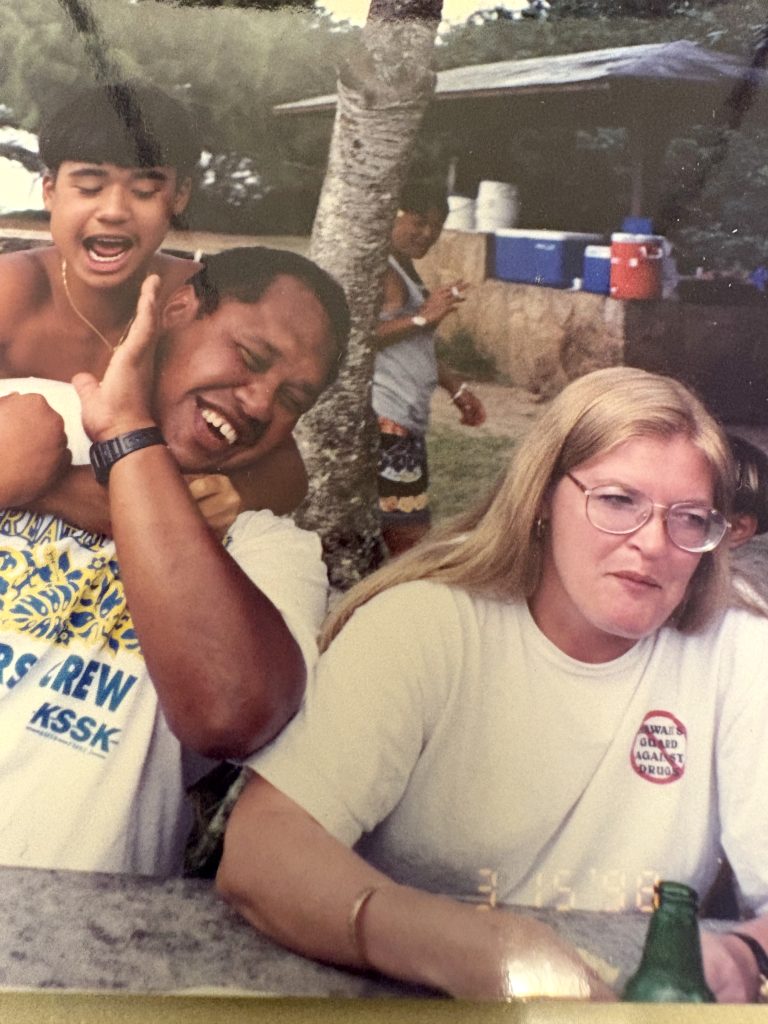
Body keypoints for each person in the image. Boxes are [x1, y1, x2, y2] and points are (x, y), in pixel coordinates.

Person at [218, 366, 768, 1003]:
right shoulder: (425, 624)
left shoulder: (739, 651)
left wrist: (745, 950)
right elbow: (261, 850)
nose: (652, 543)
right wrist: (479, 950)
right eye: (618, 501)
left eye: (690, 518)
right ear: (539, 499)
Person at [0, 245, 349, 877]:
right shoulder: (26, 414)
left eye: (293, 399)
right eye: (251, 357)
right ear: (176, 310)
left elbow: (229, 716)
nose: (260, 403)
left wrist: (129, 440)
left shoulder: (270, 549)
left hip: (79, 938)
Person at [0, 80, 307, 527]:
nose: (114, 210)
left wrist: (237, 493)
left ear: (179, 196)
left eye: (144, 191)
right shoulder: (12, 290)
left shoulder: (203, 303)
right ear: (50, 191)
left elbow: (288, 472)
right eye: (88, 186)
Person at [373, 181, 486, 555]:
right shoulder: (381, 270)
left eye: (436, 227)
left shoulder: (402, 267)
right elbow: (357, 337)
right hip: (388, 424)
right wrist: (423, 318)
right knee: (410, 538)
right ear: (393, 214)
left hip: (405, 421)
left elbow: (413, 346)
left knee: (409, 531)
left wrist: (456, 388)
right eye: (419, 222)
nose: (427, 234)